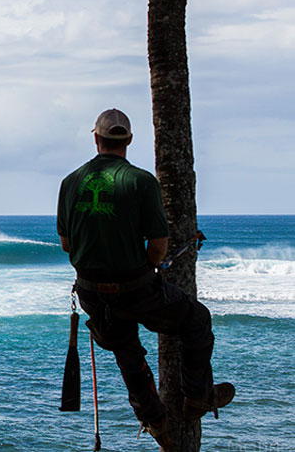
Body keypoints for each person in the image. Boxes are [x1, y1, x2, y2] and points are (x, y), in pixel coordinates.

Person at [56, 108, 234, 447]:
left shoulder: (70, 182)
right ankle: (197, 398)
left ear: (96, 138)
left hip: (92, 293)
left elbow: (67, 245)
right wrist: (142, 265)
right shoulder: (140, 181)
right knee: (197, 320)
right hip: (136, 291)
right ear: (130, 140)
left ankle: (155, 420)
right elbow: (158, 247)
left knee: (126, 349)